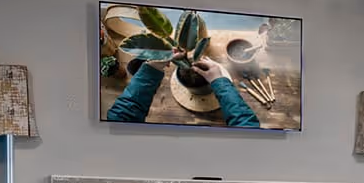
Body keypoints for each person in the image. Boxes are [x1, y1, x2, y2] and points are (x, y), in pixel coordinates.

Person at [106, 56, 259, 128]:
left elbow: (123, 117)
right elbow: (245, 125)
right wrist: (219, 81)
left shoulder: (112, 133)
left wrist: (150, 69)